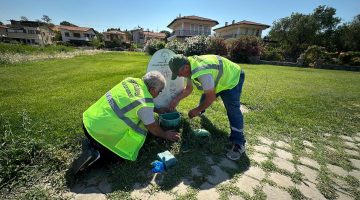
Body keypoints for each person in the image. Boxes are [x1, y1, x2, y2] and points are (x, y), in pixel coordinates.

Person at [73, 71, 180, 174]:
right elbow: (152, 127)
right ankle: (97, 154)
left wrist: (157, 109)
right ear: (152, 89)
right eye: (159, 91)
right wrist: (165, 134)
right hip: (99, 134)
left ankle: (91, 143)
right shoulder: (145, 104)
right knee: (118, 159)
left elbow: (133, 102)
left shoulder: (130, 81)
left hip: (88, 121)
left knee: (96, 136)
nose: (159, 93)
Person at [168, 54, 245, 160]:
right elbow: (189, 89)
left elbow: (211, 97)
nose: (180, 76)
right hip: (217, 77)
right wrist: (176, 99)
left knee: (232, 110)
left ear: (185, 67)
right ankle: (200, 112)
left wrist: (197, 109)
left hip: (232, 77)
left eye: (179, 74)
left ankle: (239, 143)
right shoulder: (189, 65)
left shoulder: (201, 72)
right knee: (205, 95)